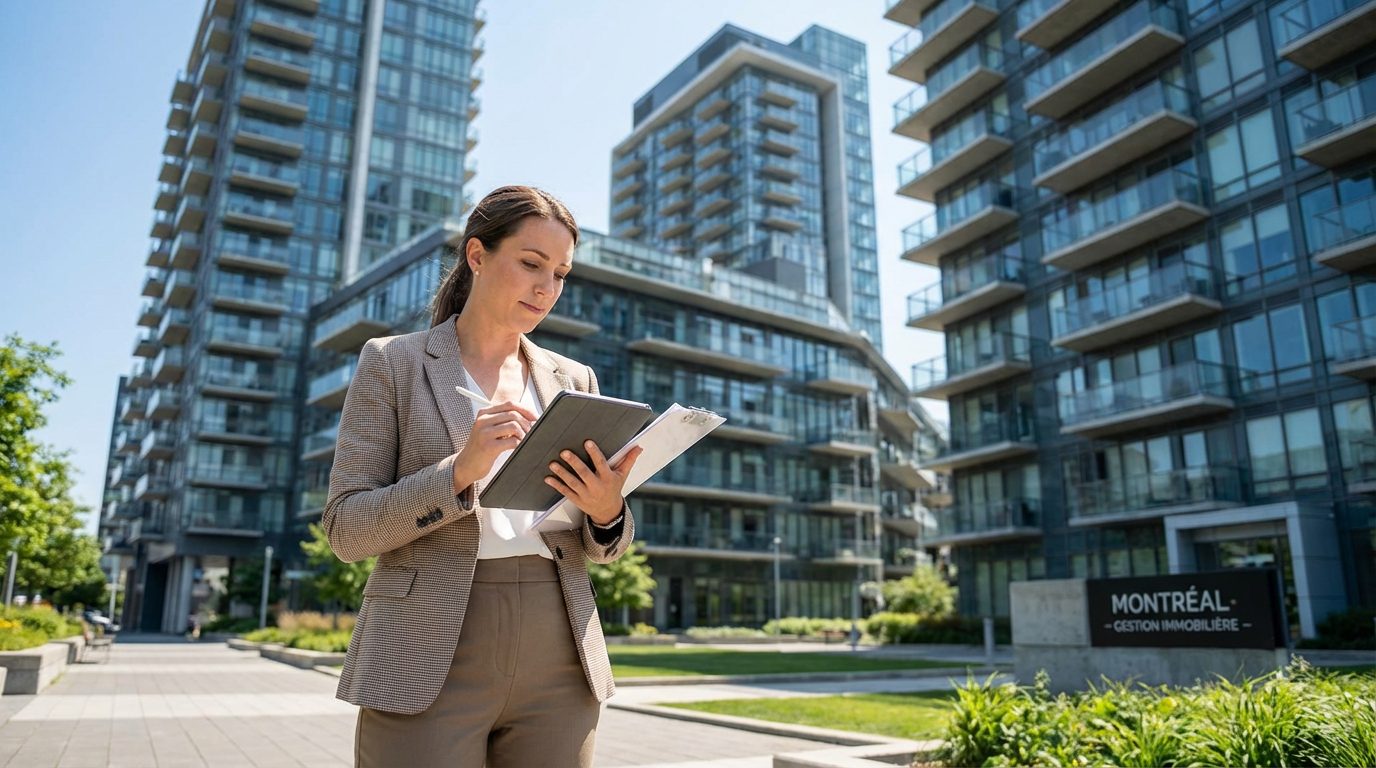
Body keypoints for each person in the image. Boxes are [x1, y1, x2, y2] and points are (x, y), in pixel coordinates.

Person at [322, 185, 643, 767]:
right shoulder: (393, 362)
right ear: (477, 256)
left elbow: (603, 548)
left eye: (562, 273)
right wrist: (458, 473)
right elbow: (346, 529)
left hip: (560, 645)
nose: (547, 288)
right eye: (531, 263)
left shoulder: (575, 380)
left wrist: (606, 511)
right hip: (425, 644)